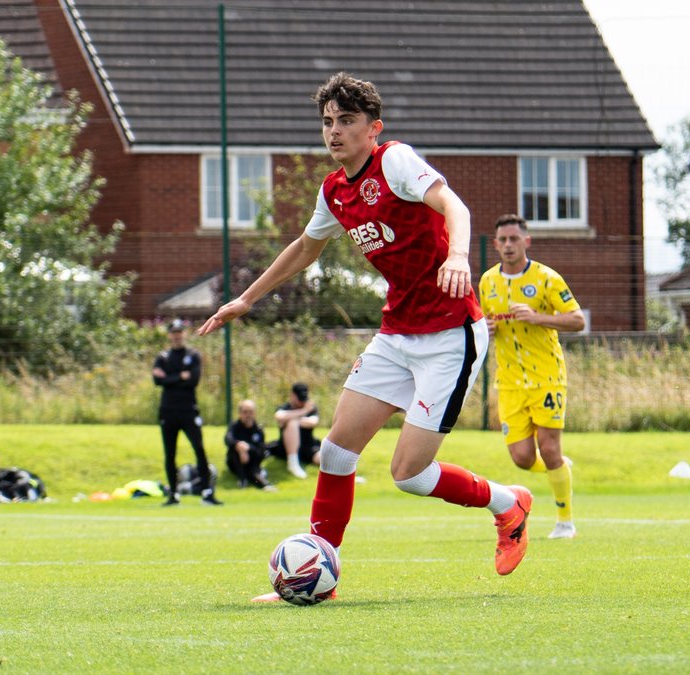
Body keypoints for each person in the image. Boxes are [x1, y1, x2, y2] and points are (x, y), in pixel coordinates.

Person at [199, 73, 532, 600]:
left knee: (408, 474)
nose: (334, 132)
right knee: (335, 452)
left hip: (451, 336)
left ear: (373, 128)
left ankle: (507, 503)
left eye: (346, 121)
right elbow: (305, 248)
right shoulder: (333, 190)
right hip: (397, 333)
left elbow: (456, 207)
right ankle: (319, 574)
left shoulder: (394, 161)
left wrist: (459, 256)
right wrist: (247, 298)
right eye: (327, 122)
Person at [479, 214, 585, 540]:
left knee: (549, 447)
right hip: (509, 381)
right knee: (522, 458)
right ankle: (560, 468)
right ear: (496, 245)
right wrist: (483, 329)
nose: (509, 245)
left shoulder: (547, 278)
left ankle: (565, 522)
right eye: (503, 240)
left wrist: (538, 317)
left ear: (527, 241)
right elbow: (478, 323)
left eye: (515, 239)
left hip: (548, 377)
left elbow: (577, 320)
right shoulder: (486, 282)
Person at [152, 319, 221, 506]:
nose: (177, 335)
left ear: (184, 333)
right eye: (173, 332)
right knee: (170, 453)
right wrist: (179, 377)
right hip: (168, 411)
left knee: (199, 450)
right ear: (169, 334)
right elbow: (157, 381)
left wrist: (168, 377)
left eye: (179, 331)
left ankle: (207, 492)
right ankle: (173, 494)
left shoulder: (193, 355)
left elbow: (193, 380)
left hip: (189, 410)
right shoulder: (163, 357)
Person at [267, 382, 322, 479]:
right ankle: (293, 463)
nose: (302, 402)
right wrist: (303, 411)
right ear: (292, 396)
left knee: (324, 460)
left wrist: (292, 418)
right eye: (300, 399)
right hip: (285, 448)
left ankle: (348, 477)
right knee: (292, 423)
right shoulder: (285, 407)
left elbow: (313, 422)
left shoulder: (312, 408)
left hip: (308, 447)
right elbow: (279, 416)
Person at [224, 399, 276, 491]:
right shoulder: (234, 426)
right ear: (240, 413)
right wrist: (239, 446)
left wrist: (248, 449)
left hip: (252, 462)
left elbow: (260, 451)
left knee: (253, 471)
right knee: (234, 451)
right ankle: (242, 479)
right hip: (235, 462)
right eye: (245, 412)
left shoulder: (258, 430)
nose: (248, 415)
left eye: (251, 412)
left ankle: (265, 484)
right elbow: (227, 439)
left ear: (254, 413)